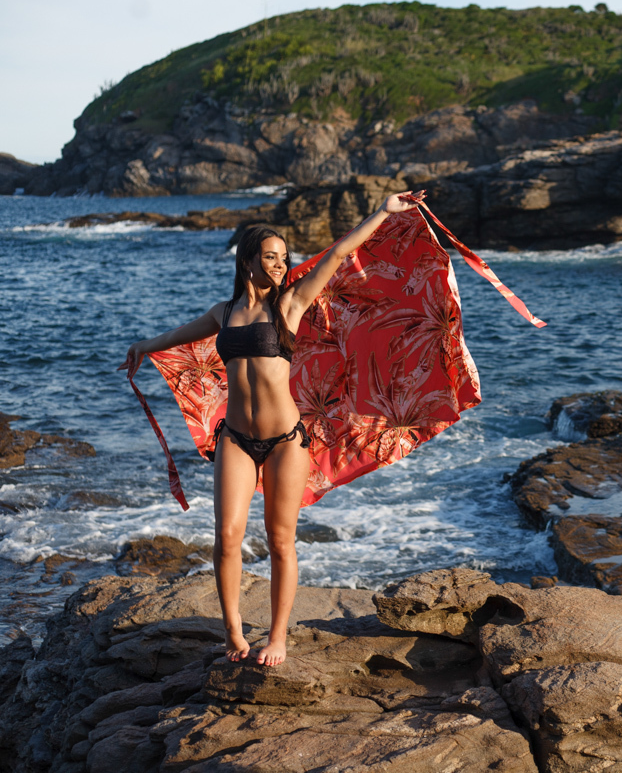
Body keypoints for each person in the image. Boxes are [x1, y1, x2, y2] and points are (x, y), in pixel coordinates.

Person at [119, 190, 426, 666]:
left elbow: (339, 253)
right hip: (235, 439)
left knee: (281, 541)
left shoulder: (291, 304)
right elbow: (180, 335)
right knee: (227, 537)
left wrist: (383, 212)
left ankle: (278, 637)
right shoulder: (223, 313)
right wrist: (143, 346)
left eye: (284, 257)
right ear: (247, 262)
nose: (281, 264)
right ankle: (233, 632)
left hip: (285, 441)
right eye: (271, 256)